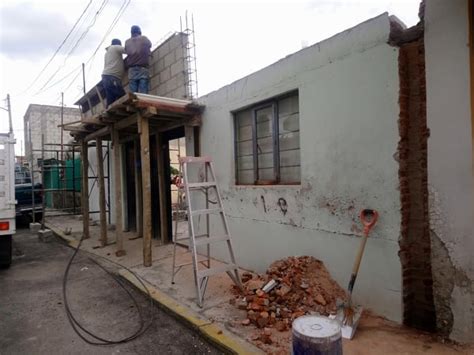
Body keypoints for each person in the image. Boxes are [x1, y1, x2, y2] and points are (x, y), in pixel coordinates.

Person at [124, 25, 152, 94]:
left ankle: (134, 104)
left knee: (133, 94)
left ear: (131, 33)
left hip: (132, 69)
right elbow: (150, 45)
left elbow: (126, 51)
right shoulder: (144, 38)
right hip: (142, 68)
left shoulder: (127, 42)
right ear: (139, 32)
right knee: (143, 93)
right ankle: (143, 103)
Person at [102, 38, 126, 107]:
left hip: (106, 77)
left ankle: (108, 114)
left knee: (111, 99)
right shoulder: (115, 47)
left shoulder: (108, 52)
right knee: (122, 96)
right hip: (112, 77)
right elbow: (128, 50)